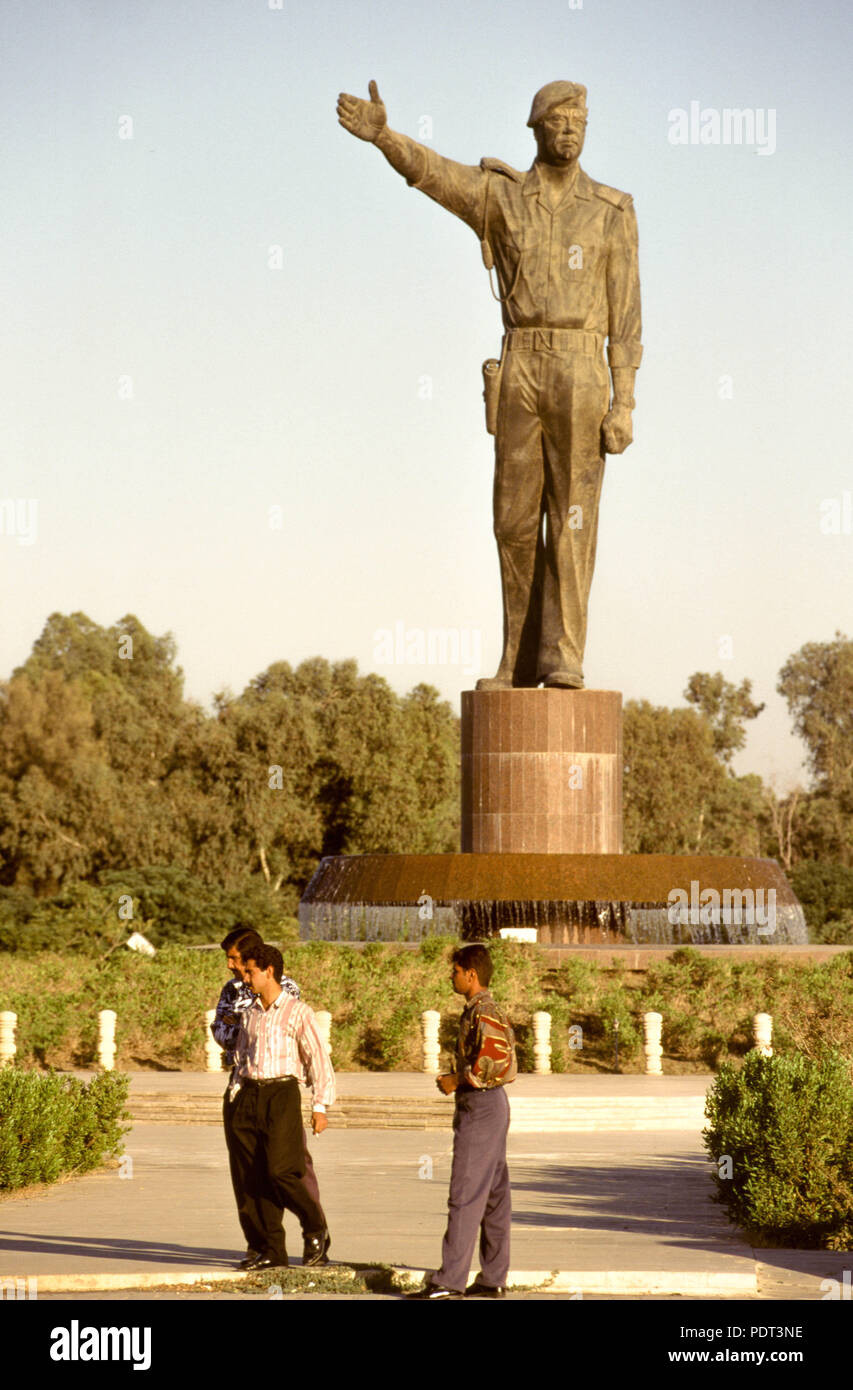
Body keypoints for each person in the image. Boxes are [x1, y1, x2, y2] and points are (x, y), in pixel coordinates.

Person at [337, 79, 642, 690]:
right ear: (535, 129)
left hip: (582, 369)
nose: (570, 129)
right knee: (512, 520)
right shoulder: (501, 197)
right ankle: (518, 659)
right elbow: (435, 174)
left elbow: (628, 314)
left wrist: (624, 399)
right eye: (558, 120)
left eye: (579, 119)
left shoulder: (612, 210)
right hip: (521, 364)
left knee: (574, 518)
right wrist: (383, 139)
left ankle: (564, 655)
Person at [407, 943, 517, 1300]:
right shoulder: (482, 1009)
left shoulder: (483, 1011)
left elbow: (497, 1062)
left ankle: (449, 1281)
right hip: (489, 1105)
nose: (450, 976)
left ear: (471, 974)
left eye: (454, 971)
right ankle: (493, 1278)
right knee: (494, 1196)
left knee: (466, 1193)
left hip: (482, 1105)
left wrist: (457, 1078)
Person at [214, 931, 330, 1268]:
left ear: (268, 970)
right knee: (252, 1176)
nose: (243, 977)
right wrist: (237, 1094)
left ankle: (315, 1226)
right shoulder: (249, 1012)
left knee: (282, 1171)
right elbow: (234, 1047)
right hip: (247, 1093)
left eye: (249, 971)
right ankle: (270, 1251)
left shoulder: (296, 1010)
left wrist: (319, 1105)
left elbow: (317, 1058)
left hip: (281, 1094)